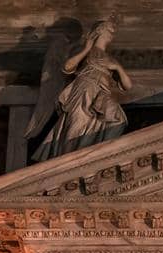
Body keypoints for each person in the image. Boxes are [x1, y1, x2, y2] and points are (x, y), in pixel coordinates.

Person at [29, 18, 131, 162]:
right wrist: (86, 49)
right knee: (77, 124)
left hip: (102, 94)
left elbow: (128, 86)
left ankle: (101, 155)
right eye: (109, 29)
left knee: (118, 120)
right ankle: (69, 161)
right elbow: (67, 67)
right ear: (99, 30)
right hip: (83, 90)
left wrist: (118, 68)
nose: (112, 33)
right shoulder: (82, 50)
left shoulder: (111, 60)